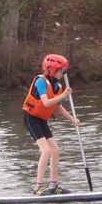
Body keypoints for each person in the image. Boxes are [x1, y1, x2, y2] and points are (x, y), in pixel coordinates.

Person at [22, 54, 81, 196]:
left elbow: (57, 107)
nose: (63, 73)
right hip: (31, 118)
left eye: (64, 71)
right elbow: (47, 102)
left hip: (41, 120)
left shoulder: (57, 86)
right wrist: (64, 95)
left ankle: (54, 185)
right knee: (46, 151)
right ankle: (38, 187)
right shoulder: (41, 82)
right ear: (52, 69)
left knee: (55, 150)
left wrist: (72, 119)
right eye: (61, 70)